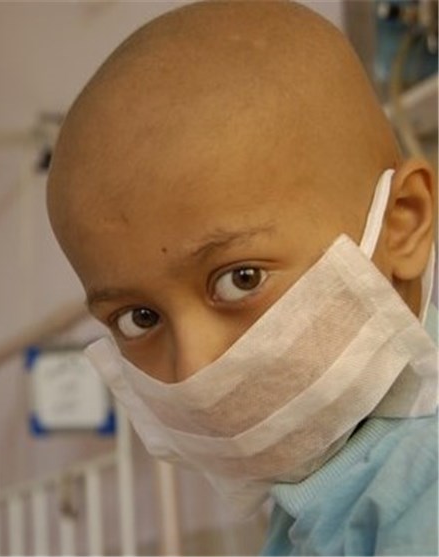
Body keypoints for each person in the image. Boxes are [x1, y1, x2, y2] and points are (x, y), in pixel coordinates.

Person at [46, 1, 438, 555]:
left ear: (403, 224)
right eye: (139, 318)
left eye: (241, 279)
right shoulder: (325, 491)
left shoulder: (422, 495)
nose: (194, 367)